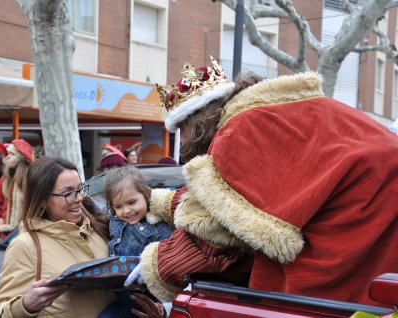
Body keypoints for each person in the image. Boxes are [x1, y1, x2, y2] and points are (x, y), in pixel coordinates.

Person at [125, 57, 398, 306]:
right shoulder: (273, 109)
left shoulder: (238, 133)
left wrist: (158, 263)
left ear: (196, 121)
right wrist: (160, 200)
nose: (182, 141)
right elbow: (239, 198)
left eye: (181, 130)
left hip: (361, 219)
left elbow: (218, 233)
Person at [0, 156, 166, 318]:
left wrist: (159, 312)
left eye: (80, 188)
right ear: (42, 199)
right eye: (68, 193)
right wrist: (26, 305)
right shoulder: (25, 245)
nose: (79, 198)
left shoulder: (102, 228)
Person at [98, 165, 173, 318]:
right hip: (117, 291)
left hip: (143, 295)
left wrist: (164, 307)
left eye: (132, 202)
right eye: (118, 206)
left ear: (146, 195)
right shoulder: (114, 219)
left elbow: (173, 266)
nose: (126, 211)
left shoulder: (159, 227)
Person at [0, 139, 35, 242]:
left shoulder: (31, 178)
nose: (7, 157)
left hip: (26, 232)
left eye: (11, 154)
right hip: (5, 232)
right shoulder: (5, 178)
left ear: (20, 158)